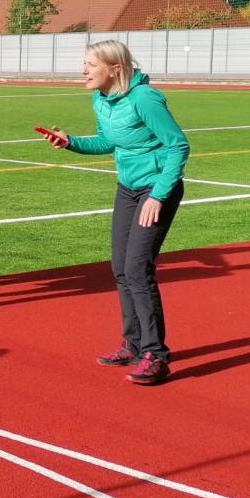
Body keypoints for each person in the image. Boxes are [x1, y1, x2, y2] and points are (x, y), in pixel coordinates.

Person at [42, 39, 190, 386]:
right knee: (120, 268)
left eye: (90, 65)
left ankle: (156, 354)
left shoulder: (145, 99)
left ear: (115, 69)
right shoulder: (101, 99)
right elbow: (107, 141)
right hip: (127, 188)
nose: (83, 71)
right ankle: (134, 342)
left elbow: (177, 145)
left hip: (156, 189)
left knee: (138, 269)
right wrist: (71, 143)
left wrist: (158, 194)